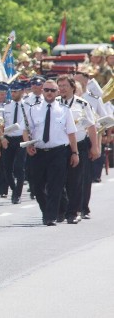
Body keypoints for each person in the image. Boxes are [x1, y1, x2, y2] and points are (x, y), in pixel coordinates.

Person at [24, 78, 79, 226]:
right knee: (37, 186)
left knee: (56, 185)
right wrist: (29, 144)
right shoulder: (33, 109)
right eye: (46, 90)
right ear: (42, 91)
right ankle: (47, 211)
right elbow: (27, 129)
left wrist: (75, 153)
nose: (49, 93)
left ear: (57, 92)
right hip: (39, 152)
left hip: (58, 152)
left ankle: (51, 216)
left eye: (52, 90)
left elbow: (71, 133)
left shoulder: (64, 110)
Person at [58, 75, 99, 223]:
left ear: (72, 88)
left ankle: (73, 212)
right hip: (59, 146)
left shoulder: (82, 104)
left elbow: (91, 126)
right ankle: (61, 209)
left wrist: (95, 146)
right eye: (60, 86)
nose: (62, 89)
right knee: (58, 179)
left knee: (75, 180)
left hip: (79, 144)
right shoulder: (54, 103)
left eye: (65, 86)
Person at [1, 81, 29, 204]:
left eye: (16, 91)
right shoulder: (6, 106)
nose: (13, 93)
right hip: (8, 138)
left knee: (19, 166)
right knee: (7, 168)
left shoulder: (28, 106)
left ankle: (17, 194)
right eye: (11, 91)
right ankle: (14, 188)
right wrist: (2, 137)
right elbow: (0, 124)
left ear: (22, 91)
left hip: (21, 139)